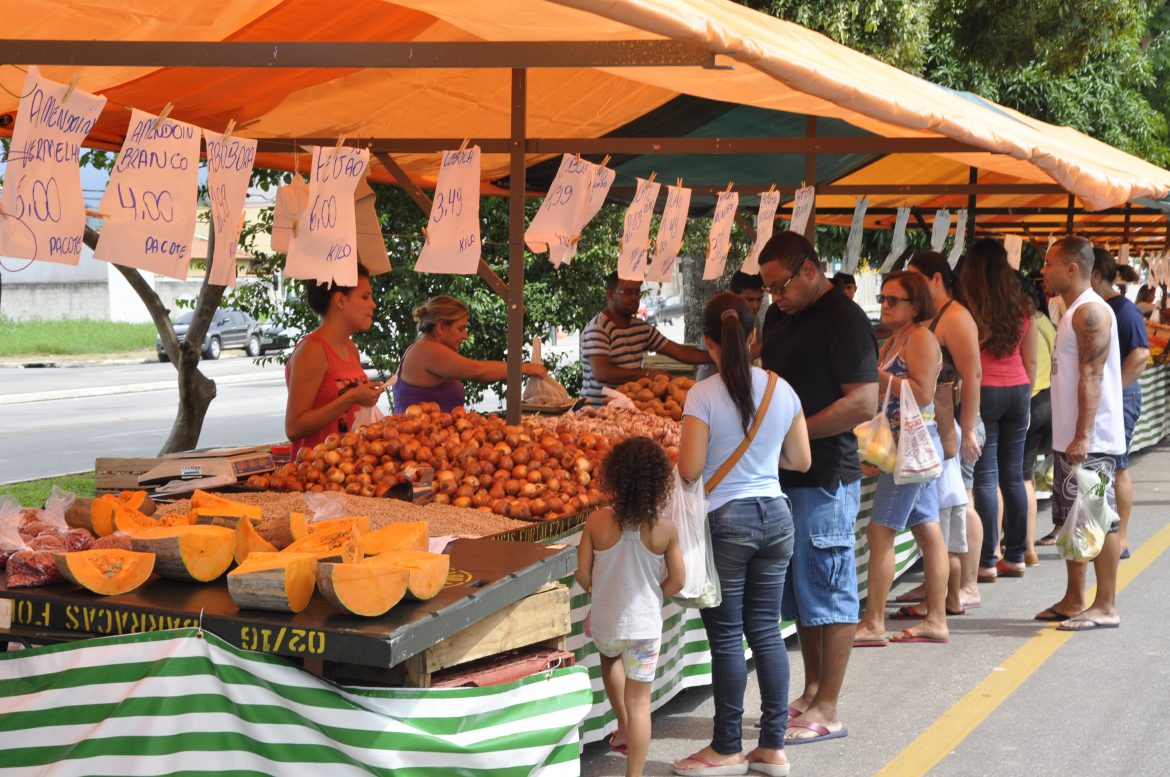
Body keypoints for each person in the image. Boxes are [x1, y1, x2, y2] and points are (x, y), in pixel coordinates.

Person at [673, 292, 810, 776]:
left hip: (727, 521)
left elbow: (689, 468)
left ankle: (727, 745)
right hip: (776, 516)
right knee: (768, 632)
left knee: (728, 638)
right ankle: (772, 747)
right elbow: (801, 461)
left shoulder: (703, 395)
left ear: (708, 342)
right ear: (755, 336)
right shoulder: (782, 389)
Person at [758, 231, 877, 744]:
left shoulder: (846, 320)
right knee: (803, 594)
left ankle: (829, 706)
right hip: (782, 475)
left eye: (779, 286)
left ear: (810, 270)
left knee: (829, 590)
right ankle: (810, 692)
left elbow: (862, 403)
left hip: (826, 476)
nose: (774, 297)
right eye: (768, 290)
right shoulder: (778, 316)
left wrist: (797, 432)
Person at [576, 436, 685, 777]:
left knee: (610, 660)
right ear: (659, 483)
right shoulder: (664, 529)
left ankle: (621, 725)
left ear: (613, 477)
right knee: (642, 703)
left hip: (608, 623)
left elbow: (582, 575)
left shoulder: (596, 522)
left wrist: (603, 589)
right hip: (645, 628)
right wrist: (655, 595)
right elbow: (678, 581)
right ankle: (634, 773)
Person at [855, 272, 950, 646]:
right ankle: (937, 620)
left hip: (911, 447)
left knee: (881, 532)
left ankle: (875, 622)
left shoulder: (921, 338)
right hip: (903, 446)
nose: (885, 305)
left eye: (894, 299)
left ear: (916, 304)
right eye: (883, 298)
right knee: (928, 530)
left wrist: (878, 377)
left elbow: (924, 394)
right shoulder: (897, 338)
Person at [1035, 237, 1124, 630]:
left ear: (1072, 268)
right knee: (1073, 518)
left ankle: (1105, 604)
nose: (1043, 270)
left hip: (1092, 439)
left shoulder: (1090, 312)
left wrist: (1084, 435)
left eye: (1050, 264)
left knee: (1098, 519)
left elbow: (1092, 374)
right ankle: (1075, 598)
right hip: (1071, 437)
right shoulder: (1071, 310)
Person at [897, 251, 983, 612]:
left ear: (935, 278)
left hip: (956, 426)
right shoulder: (931, 318)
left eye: (914, 279)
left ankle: (966, 585)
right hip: (940, 425)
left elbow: (973, 375)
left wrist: (967, 430)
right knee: (943, 508)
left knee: (959, 503)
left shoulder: (956, 317)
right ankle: (941, 584)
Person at [959, 238, 1037, 582]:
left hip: (984, 391)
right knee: (1014, 474)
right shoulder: (1023, 306)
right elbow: (1031, 358)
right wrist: (1026, 395)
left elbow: (967, 359)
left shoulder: (968, 308)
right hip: (1019, 389)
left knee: (985, 478)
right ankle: (1016, 555)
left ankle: (987, 560)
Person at [285, 265, 384, 460]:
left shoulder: (350, 348)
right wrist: (351, 397)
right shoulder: (312, 350)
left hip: (350, 470)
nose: (373, 305)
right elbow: (294, 427)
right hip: (316, 473)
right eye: (365, 297)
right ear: (340, 300)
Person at [1090, 248, 1149, 559]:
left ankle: (1121, 537)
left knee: (1119, 466)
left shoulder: (1123, 310)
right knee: (1109, 467)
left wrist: (1114, 389)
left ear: (1096, 275)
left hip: (1121, 398)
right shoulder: (1102, 308)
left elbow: (1140, 354)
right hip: (1112, 396)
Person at [393, 295, 546, 412]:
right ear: (440, 328)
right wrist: (524, 368)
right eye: (461, 329)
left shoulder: (423, 349)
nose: (465, 336)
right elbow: (478, 371)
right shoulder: (426, 350)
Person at [581, 272, 711, 405]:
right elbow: (603, 373)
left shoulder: (641, 328)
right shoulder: (598, 328)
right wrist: (647, 374)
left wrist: (717, 356)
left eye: (637, 292)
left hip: (627, 410)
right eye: (627, 292)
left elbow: (681, 352)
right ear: (610, 295)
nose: (634, 298)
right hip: (596, 413)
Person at [1021, 277, 1057, 563]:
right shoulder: (1047, 323)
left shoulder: (1025, 323)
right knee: (1025, 476)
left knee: (1017, 478)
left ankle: (1021, 546)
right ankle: (1027, 546)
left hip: (1030, 402)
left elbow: (1028, 366)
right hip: (1047, 401)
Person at [696, 271, 765, 381]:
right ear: (734, 296)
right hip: (712, 386)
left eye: (759, 299)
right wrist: (771, 343)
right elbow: (736, 357)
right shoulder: (717, 318)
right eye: (749, 299)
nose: (755, 305)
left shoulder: (754, 320)